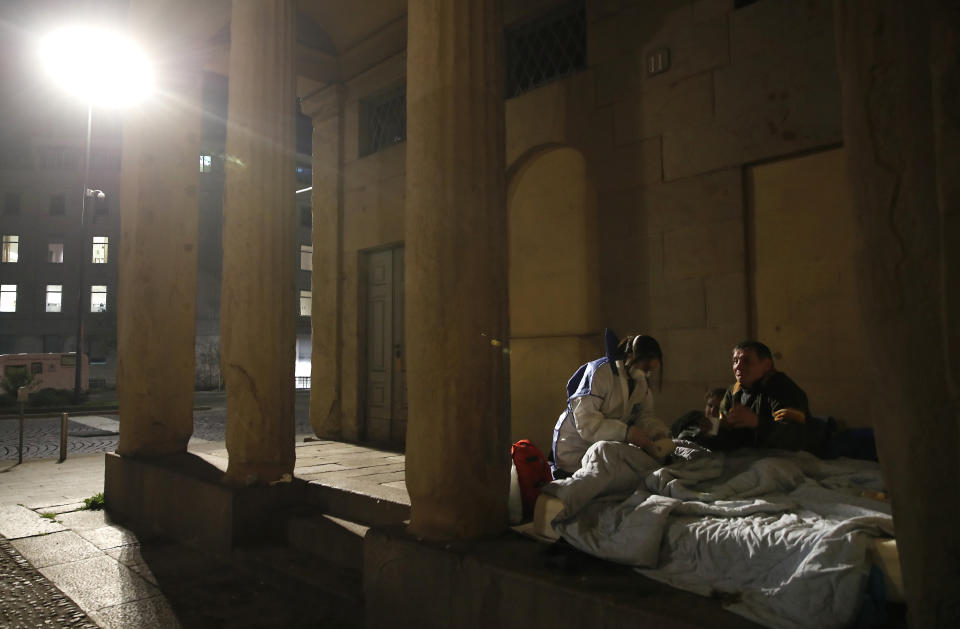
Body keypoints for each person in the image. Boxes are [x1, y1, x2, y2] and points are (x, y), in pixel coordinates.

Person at [551, 331, 671, 477]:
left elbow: (644, 415)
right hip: (574, 451)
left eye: (650, 371)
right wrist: (626, 432)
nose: (647, 374)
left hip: (603, 454)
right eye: (645, 368)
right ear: (631, 356)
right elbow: (586, 423)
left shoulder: (639, 382)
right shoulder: (599, 373)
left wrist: (657, 432)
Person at [706, 340, 809, 451]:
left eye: (746, 361)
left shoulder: (784, 389)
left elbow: (795, 437)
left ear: (766, 365)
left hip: (785, 457)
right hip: (748, 456)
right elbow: (726, 428)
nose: (738, 367)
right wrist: (712, 429)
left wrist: (756, 422)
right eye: (735, 361)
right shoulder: (734, 391)